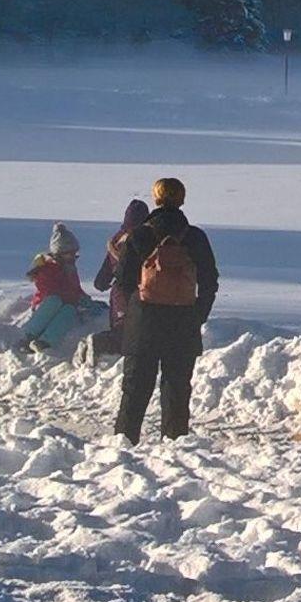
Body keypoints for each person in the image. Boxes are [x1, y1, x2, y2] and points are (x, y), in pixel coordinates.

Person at [113, 177, 218, 442]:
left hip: (144, 322)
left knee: (135, 391)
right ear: (182, 199)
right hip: (183, 322)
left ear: (156, 198)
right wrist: (197, 315)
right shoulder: (195, 237)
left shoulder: (140, 235)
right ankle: (175, 445)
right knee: (177, 391)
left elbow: (123, 281)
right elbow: (210, 281)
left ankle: (123, 446)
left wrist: (134, 309)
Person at [15, 223, 96, 352]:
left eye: (74, 253)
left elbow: (75, 288)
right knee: (55, 301)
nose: (72, 256)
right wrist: (69, 296)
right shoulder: (46, 268)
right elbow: (48, 290)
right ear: (59, 253)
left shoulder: (70, 269)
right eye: (69, 253)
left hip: (66, 303)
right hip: (45, 304)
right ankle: (28, 336)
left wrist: (83, 298)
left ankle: (46, 341)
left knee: (69, 310)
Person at [88, 198, 149, 362]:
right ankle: (98, 344)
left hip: (119, 292)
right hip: (135, 291)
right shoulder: (144, 239)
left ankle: (101, 346)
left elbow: (104, 273)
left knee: (124, 328)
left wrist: (102, 283)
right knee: (128, 332)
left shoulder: (118, 239)